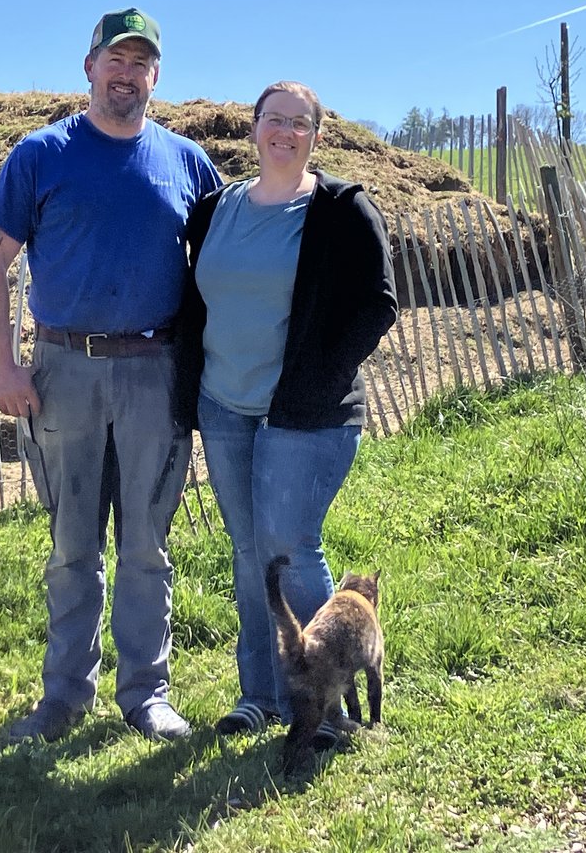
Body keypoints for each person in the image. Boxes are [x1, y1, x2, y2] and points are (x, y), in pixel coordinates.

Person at [0, 8, 221, 743]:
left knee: (146, 545)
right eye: (116, 59)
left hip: (155, 373)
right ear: (89, 67)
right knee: (72, 546)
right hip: (65, 372)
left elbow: (221, 265)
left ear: (156, 77)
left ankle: (147, 694)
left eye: (141, 63)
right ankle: (64, 698)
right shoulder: (41, 155)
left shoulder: (188, 163)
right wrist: (0, 363)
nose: (126, 74)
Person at [178, 80, 398, 740]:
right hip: (225, 404)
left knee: (290, 548)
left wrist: (321, 376)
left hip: (306, 414)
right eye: (273, 119)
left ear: (317, 136)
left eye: (299, 123)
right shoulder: (215, 210)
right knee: (250, 553)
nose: (285, 132)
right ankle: (264, 695)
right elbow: (194, 299)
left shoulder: (341, 210)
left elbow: (378, 304)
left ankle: (325, 705)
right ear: (253, 128)